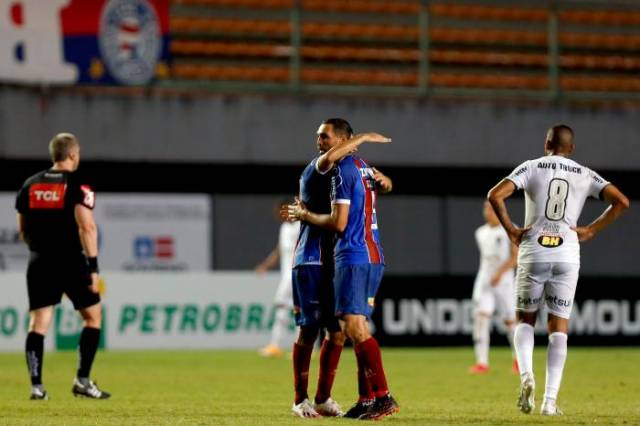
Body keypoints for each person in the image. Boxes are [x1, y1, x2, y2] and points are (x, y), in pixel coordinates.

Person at [487, 124, 629, 416]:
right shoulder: (584, 173)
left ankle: (527, 376)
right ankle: (549, 402)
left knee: (525, 320)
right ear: (572, 148)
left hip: (534, 250)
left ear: (546, 143)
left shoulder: (531, 167)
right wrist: (591, 229)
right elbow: (622, 201)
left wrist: (513, 230)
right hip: (567, 253)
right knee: (558, 328)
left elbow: (495, 195)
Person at [287, 119, 399, 421]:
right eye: (318, 136)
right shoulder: (320, 167)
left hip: (341, 259)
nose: (318, 141)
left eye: (325, 136)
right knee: (310, 329)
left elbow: (367, 183)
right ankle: (301, 399)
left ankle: (328, 398)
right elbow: (337, 161)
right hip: (311, 259)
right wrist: (364, 138)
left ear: (341, 140)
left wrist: (384, 181)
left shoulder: (347, 168)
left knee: (340, 332)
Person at [15, 133, 110, 400]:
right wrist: (93, 268)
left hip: (39, 260)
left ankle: (37, 386)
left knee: (39, 324)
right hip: (70, 260)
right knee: (93, 317)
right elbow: (87, 227)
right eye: (77, 152)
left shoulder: (30, 184)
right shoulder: (78, 183)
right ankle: (82, 380)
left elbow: (22, 228)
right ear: (72, 154)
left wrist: (39, 250)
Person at [469, 201, 519, 375]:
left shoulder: (510, 229)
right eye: (485, 208)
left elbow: (515, 257)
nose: (487, 211)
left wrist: (500, 272)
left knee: (510, 322)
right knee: (481, 318)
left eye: (490, 208)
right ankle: (482, 362)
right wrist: (488, 276)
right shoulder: (480, 233)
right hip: (485, 281)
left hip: (504, 281)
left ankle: (518, 360)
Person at [255, 199, 300, 358]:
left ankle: (281, 345)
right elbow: (279, 250)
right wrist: (265, 266)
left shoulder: (300, 226)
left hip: (297, 273)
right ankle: (282, 346)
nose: (278, 214)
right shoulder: (285, 227)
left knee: (289, 307)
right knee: (291, 309)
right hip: (286, 274)